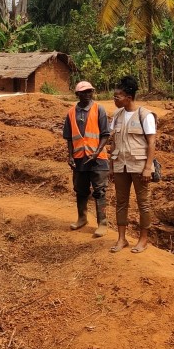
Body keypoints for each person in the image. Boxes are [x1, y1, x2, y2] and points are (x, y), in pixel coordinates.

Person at [108, 76, 157, 254]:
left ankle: (143, 239)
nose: (114, 99)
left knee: (143, 203)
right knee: (121, 202)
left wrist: (147, 168)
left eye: (117, 96)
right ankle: (122, 239)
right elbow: (113, 142)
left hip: (139, 166)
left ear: (128, 98)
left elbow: (151, 143)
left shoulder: (145, 115)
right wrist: (111, 166)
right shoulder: (117, 116)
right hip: (120, 165)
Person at [63, 81, 112, 237]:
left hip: (98, 159)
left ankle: (102, 223)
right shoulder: (71, 113)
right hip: (79, 158)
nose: (87, 94)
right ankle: (82, 218)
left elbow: (105, 134)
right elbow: (69, 138)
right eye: (84, 92)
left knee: (100, 190)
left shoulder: (99, 109)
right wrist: (70, 156)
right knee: (80, 189)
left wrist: (97, 152)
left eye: (90, 91)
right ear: (77, 94)